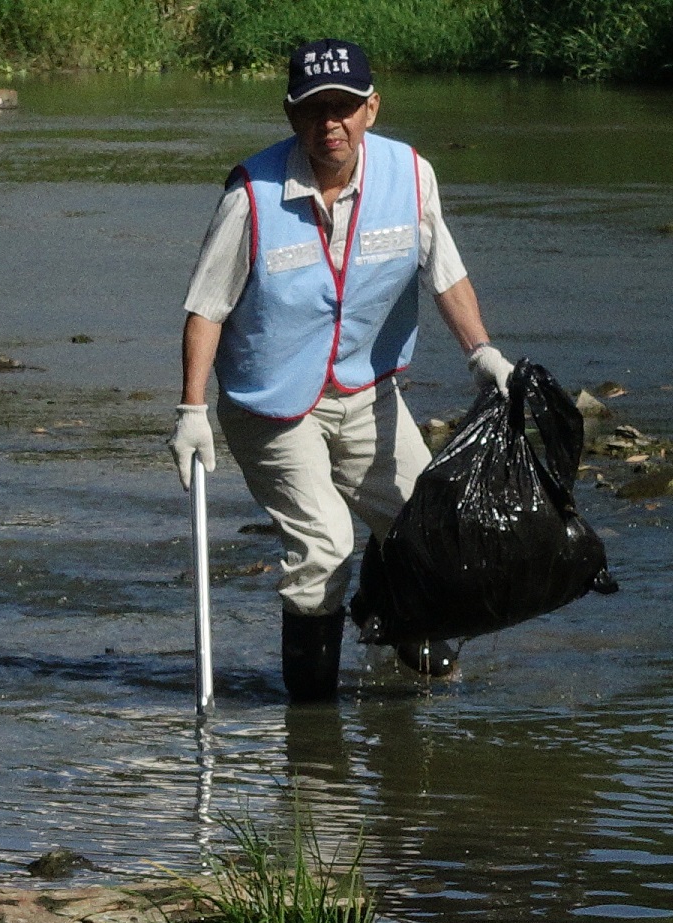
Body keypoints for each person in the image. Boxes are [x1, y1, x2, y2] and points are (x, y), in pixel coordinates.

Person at [169, 38, 512, 701]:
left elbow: (444, 272)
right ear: (292, 116)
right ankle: (313, 724)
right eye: (315, 110)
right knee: (324, 544)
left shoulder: (412, 177)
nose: (332, 124)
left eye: (346, 108)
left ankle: (387, 629)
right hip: (271, 405)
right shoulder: (253, 194)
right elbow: (206, 308)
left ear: (372, 109)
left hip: (366, 392)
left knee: (428, 530)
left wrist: (481, 352)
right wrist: (190, 410)